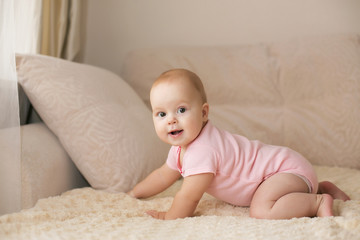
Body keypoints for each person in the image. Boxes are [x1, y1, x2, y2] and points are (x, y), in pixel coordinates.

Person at [127, 68, 350, 220]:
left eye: (181, 110)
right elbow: (163, 175)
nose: (171, 120)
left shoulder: (203, 151)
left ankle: (318, 202)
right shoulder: (179, 150)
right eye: (161, 113)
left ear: (204, 113)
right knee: (271, 196)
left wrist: (169, 216)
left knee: (262, 210)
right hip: (291, 170)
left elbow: (188, 197)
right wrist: (135, 193)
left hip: (282, 171)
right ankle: (318, 186)